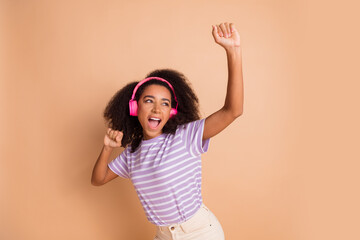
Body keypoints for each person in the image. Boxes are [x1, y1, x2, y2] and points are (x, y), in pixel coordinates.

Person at [91, 22, 243, 240]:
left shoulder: (185, 136)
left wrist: (233, 51)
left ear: (171, 111)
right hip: (163, 236)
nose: (156, 108)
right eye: (149, 101)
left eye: (164, 103)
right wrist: (107, 148)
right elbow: (98, 179)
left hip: (200, 233)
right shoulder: (132, 155)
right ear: (134, 107)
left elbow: (233, 111)